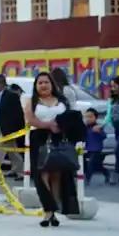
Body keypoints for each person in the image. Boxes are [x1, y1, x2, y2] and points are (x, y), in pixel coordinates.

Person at [24, 71, 80, 227]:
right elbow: (30, 120)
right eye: (40, 83)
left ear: (52, 84)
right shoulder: (31, 101)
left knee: (57, 175)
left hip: (58, 139)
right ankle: (47, 210)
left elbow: (70, 117)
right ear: (36, 86)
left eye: (46, 82)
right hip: (40, 139)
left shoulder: (62, 100)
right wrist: (47, 125)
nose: (43, 85)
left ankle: (54, 211)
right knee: (43, 174)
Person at [0, 74, 26, 178]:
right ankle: (20, 171)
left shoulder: (11, 96)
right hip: (1, 127)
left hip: (9, 130)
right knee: (13, 152)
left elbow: (18, 114)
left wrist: (16, 130)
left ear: (1, 84)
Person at [82, 109, 110, 185]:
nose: (88, 119)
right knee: (97, 165)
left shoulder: (98, 127)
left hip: (96, 149)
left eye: (90, 117)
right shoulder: (85, 127)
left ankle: (87, 179)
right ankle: (106, 173)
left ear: (95, 118)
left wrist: (99, 132)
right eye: (86, 117)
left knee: (91, 164)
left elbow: (104, 136)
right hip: (87, 149)